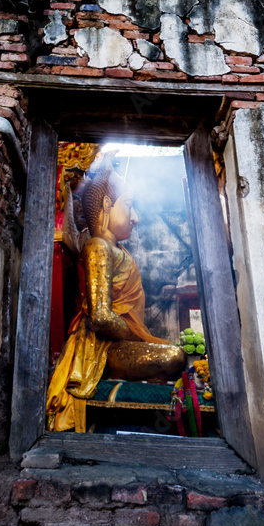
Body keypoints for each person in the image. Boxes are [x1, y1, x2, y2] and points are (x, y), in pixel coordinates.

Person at [46, 156, 185, 433]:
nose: (136, 218)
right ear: (108, 205)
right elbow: (100, 316)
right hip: (99, 348)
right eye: (129, 206)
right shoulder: (98, 246)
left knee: (174, 354)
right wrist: (138, 337)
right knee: (174, 357)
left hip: (116, 344)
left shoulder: (118, 251)